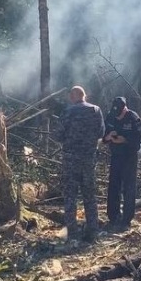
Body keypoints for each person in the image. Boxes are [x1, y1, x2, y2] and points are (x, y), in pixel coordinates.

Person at [52, 85, 105, 243]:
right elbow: (101, 133)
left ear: (73, 96)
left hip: (71, 160)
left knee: (70, 196)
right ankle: (92, 230)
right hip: (88, 159)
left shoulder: (68, 112)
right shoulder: (96, 110)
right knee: (89, 195)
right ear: (84, 96)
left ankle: (73, 232)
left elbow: (59, 135)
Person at [102, 96, 141, 231]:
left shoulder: (133, 118)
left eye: (120, 113)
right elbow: (103, 136)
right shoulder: (110, 116)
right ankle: (113, 217)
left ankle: (126, 219)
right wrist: (108, 137)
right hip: (115, 156)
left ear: (125, 108)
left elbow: (140, 138)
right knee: (113, 186)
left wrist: (124, 139)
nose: (118, 116)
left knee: (129, 188)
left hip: (129, 157)